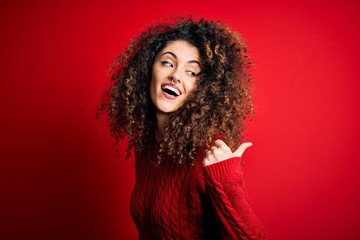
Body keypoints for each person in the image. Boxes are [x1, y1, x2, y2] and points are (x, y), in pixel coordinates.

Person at [98, 15, 266, 239]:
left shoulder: (208, 153)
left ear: (203, 88)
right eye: (167, 63)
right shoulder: (148, 144)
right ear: (149, 70)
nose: (175, 75)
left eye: (191, 72)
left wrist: (226, 177)